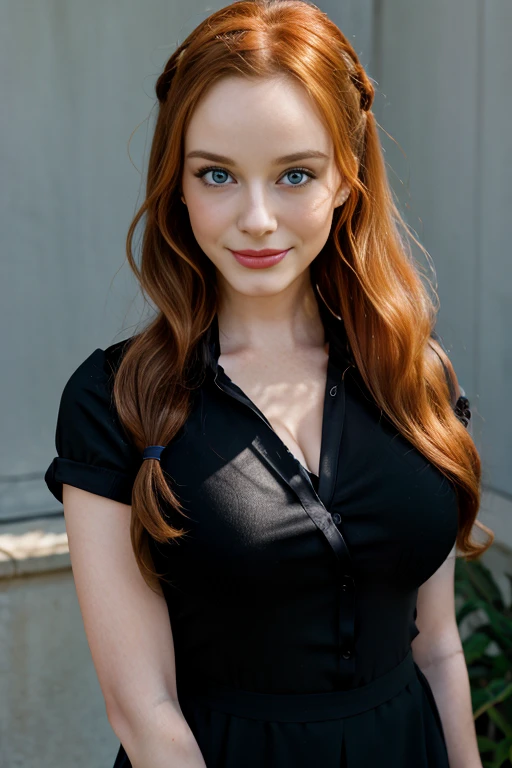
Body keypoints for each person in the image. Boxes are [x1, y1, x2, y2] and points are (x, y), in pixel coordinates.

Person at [44, 1, 493, 766]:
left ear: (346, 180)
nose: (257, 219)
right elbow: (143, 711)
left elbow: (439, 650)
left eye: (295, 175)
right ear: (176, 186)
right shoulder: (114, 401)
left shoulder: (413, 373)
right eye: (217, 173)